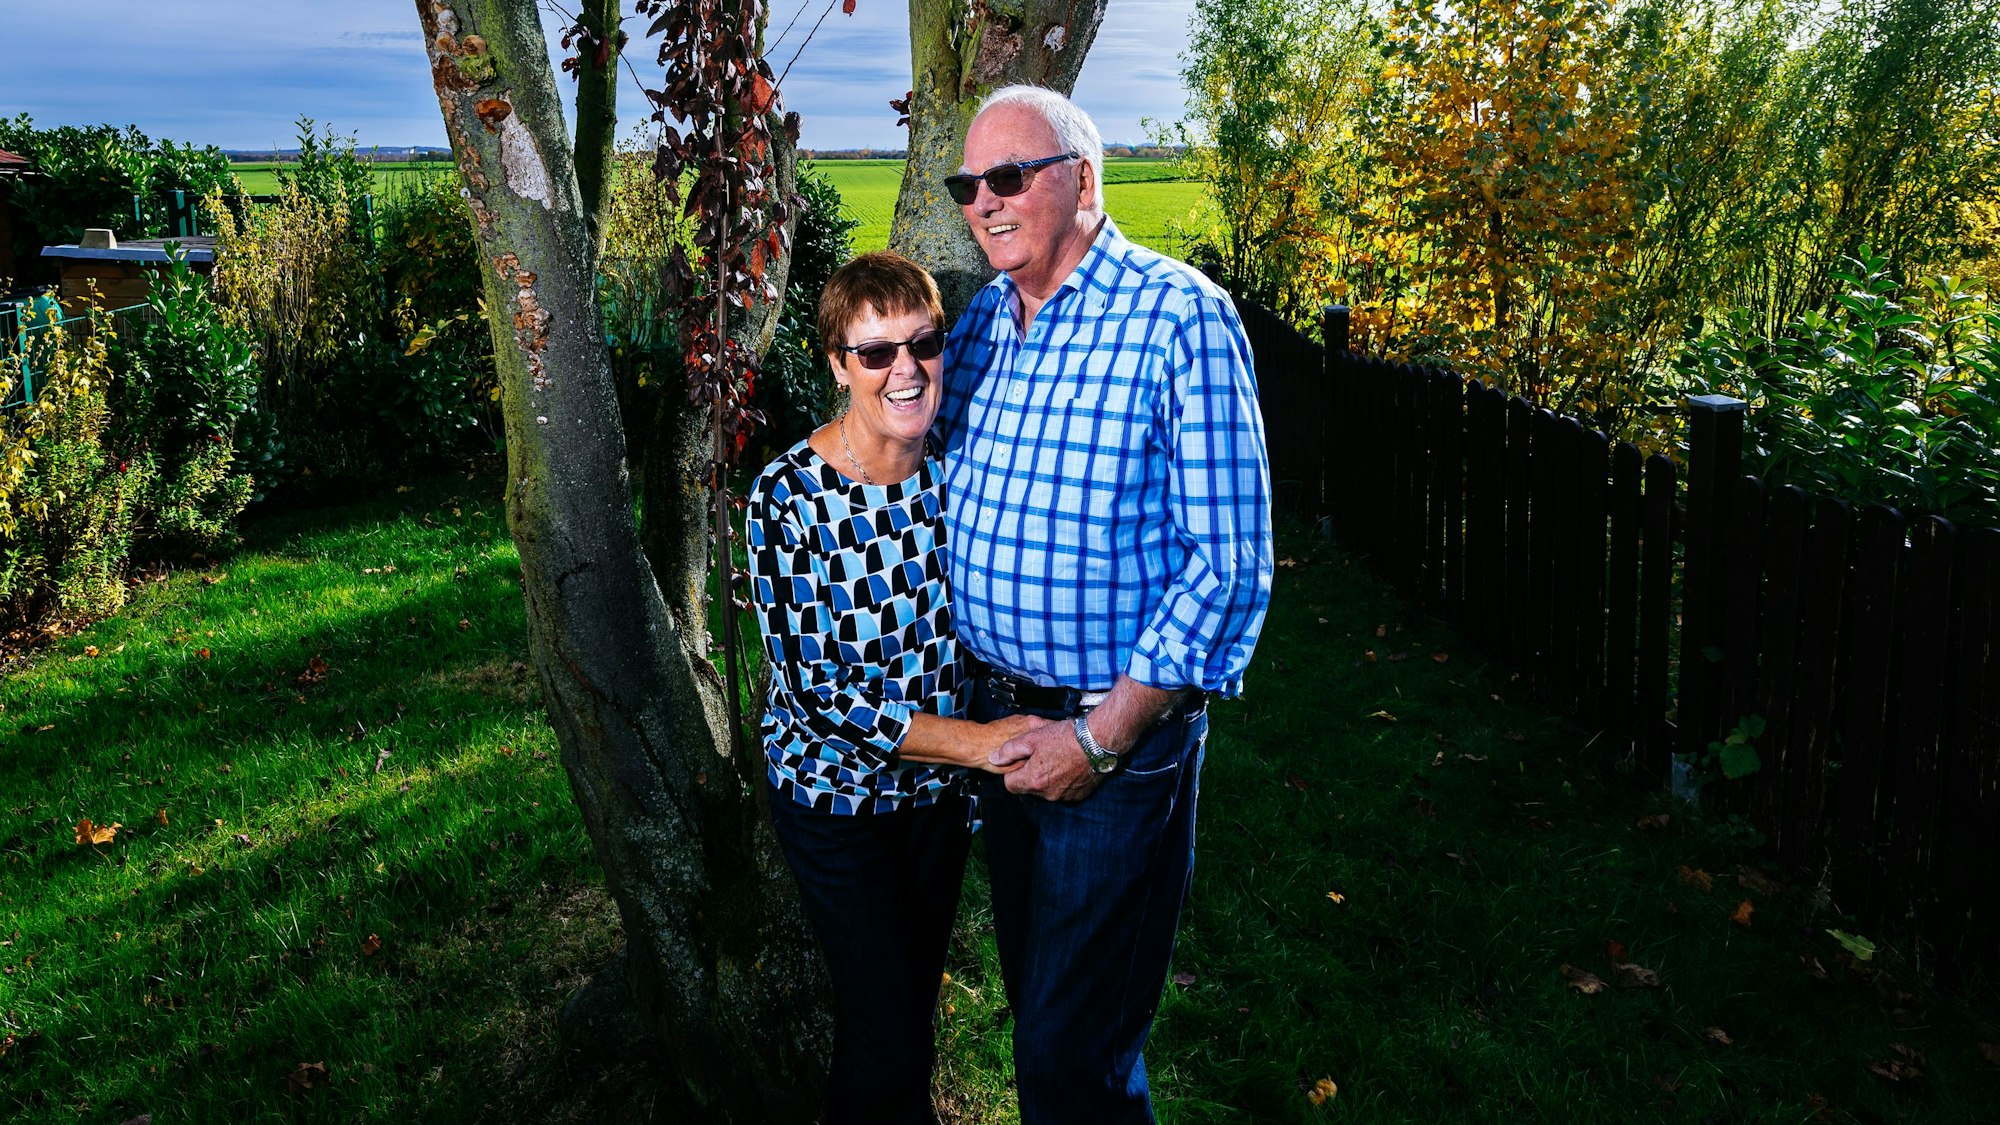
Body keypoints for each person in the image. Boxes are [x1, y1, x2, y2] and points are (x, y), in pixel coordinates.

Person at [933, 86, 1274, 1122]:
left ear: (1082, 178)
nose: (982, 202)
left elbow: (1229, 560)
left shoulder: (1179, 314)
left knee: (1071, 1048)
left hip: (1108, 742)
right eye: (967, 184)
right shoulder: (987, 318)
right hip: (999, 733)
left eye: (1008, 177)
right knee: (1045, 1012)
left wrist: (1103, 736)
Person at [747, 250, 1046, 1124]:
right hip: (836, 806)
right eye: (876, 353)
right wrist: (984, 745)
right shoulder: (788, 499)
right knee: (886, 1040)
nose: (906, 371)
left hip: (935, 803)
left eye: (923, 344)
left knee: (907, 1013)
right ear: (838, 363)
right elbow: (819, 694)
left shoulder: (956, 468)